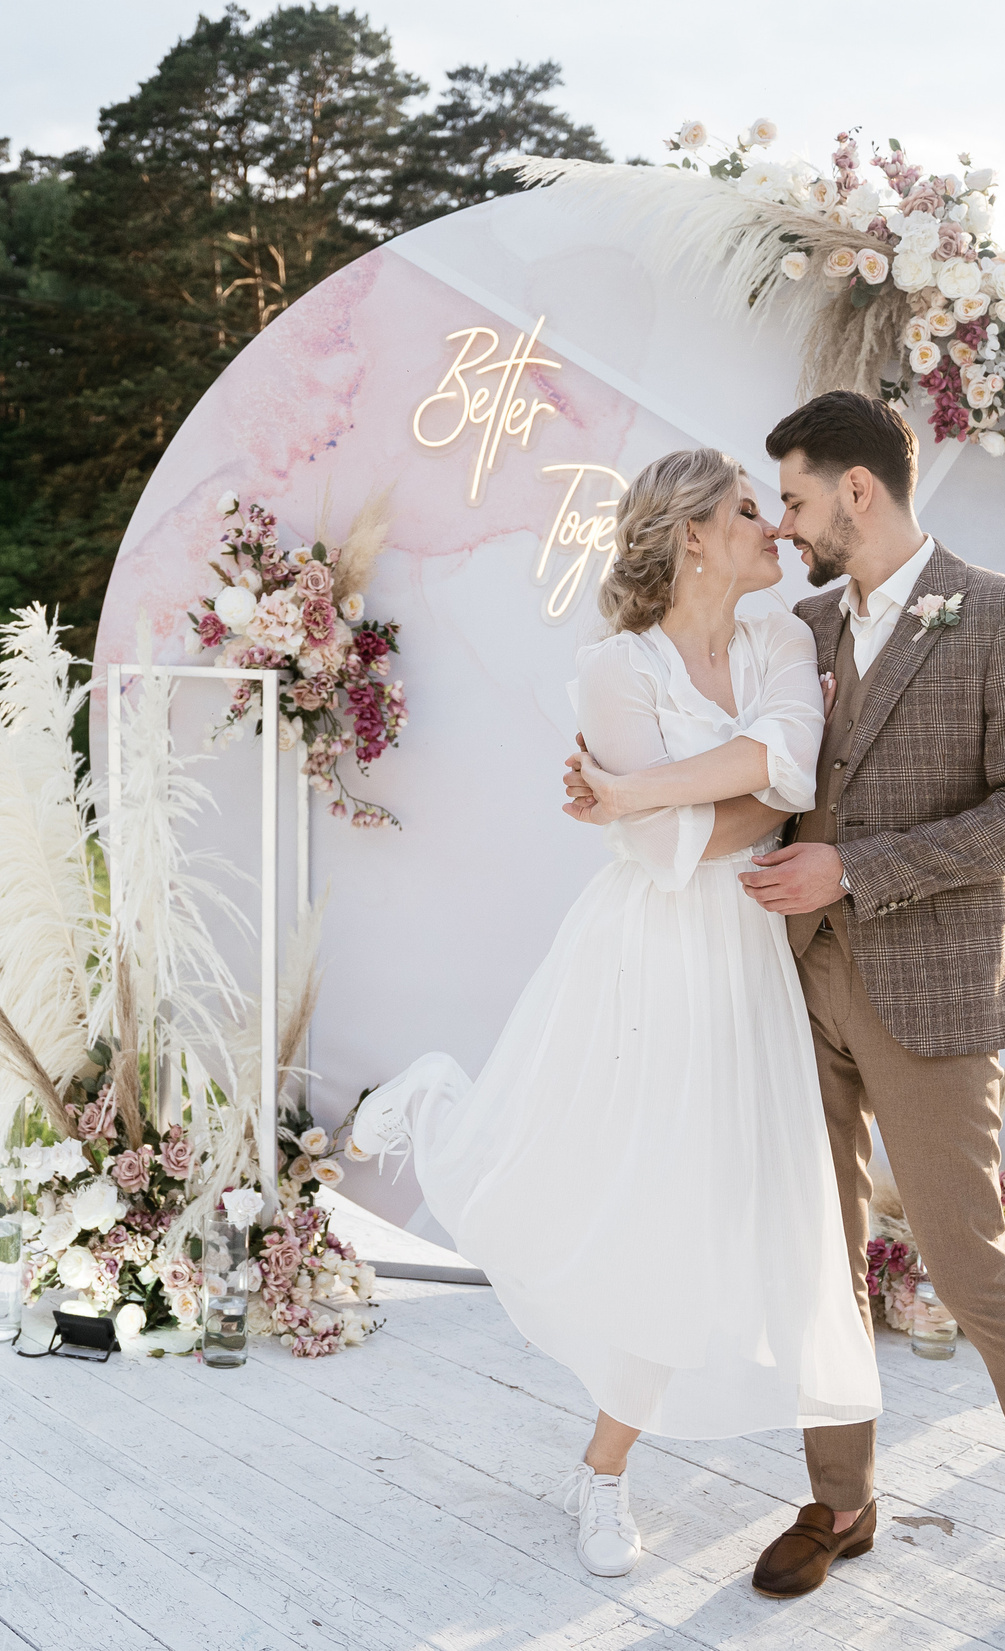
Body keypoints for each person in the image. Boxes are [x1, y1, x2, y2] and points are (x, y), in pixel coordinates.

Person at [561, 391, 1005, 1631]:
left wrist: (856, 869)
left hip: (933, 999)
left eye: (797, 499)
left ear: (856, 490)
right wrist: (628, 797)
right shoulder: (796, 627)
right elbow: (763, 770)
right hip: (791, 989)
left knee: (970, 1267)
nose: (788, 525)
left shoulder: (1004, 615)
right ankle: (842, 1500)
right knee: (816, 1259)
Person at [346, 446, 882, 1581]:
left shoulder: (780, 636)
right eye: (750, 512)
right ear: (692, 535)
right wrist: (681, 805)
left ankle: (604, 1461)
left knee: (705, 1211)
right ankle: (601, 1473)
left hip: (745, 958)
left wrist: (644, 789)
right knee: (620, 1200)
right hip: (643, 957)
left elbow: (790, 768)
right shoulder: (612, 666)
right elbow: (667, 846)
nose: (774, 531)